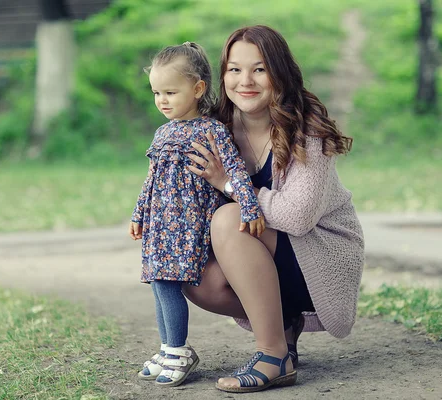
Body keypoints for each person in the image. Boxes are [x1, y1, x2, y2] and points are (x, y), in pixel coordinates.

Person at [183, 25, 365, 393]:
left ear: (279, 72)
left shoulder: (306, 130)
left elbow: (297, 217)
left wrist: (229, 184)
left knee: (230, 217)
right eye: (234, 69)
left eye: (259, 69)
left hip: (319, 255)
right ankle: (282, 328)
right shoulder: (216, 131)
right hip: (265, 257)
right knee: (189, 271)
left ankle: (273, 355)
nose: (245, 80)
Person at [128, 41, 265, 387]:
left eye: (171, 92)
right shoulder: (162, 134)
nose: (162, 100)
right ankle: (167, 347)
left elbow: (235, 171)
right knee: (158, 283)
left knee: (170, 283)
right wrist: (138, 214)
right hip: (160, 226)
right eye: (157, 92)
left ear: (198, 88)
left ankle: (179, 350)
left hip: (190, 227)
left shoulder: (211, 130)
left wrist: (249, 206)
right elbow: (151, 181)